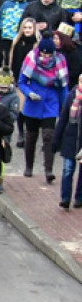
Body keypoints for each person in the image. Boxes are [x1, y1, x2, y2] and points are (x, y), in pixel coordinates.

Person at [18, 34, 69, 181]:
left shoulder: (60, 61)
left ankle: (48, 170)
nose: (46, 56)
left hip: (50, 103)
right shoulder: (31, 59)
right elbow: (22, 82)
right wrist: (29, 93)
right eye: (43, 53)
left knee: (48, 136)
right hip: (34, 103)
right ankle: (29, 166)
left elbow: (64, 86)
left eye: (49, 53)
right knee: (31, 136)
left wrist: (64, 107)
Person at [53, 73, 82, 208]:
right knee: (68, 170)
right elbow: (63, 119)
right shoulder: (71, 97)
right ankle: (65, 198)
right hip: (70, 140)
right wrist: (56, 141)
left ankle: (79, 198)